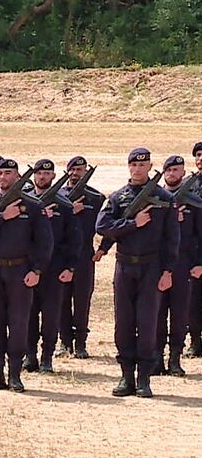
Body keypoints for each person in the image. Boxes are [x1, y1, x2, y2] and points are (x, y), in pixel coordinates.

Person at [96, 147, 179, 398]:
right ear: (128, 167)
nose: (137, 169)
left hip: (152, 266)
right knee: (123, 322)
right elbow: (103, 226)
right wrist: (132, 224)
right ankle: (126, 377)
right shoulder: (119, 197)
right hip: (125, 265)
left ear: (149, 166)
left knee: (147, 321)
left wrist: (168, 271)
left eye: (142, 165)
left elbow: (172, 238)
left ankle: (144, 378)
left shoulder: (163, 198)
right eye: (133, 165)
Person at [0, 158, 53, 393]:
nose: (4, 177)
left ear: (18, 177)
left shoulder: (33, 205)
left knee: (18, 322)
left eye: (9, 173)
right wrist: (2, 216)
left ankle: (15, 373)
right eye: (1, 173)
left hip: (20, 270)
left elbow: (45, 242)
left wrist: (37, 270)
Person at [24, 159, 81, 374]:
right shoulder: (25, 200)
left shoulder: (64, 205)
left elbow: (74, 238)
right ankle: (29, 355)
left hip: (54, 267)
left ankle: (47, 356)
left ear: (54, 177)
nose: (42, 177)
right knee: (28, 313)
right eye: (39, 174)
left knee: (51, 314)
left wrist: (71, 267)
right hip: (28, 265)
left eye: (47, 174)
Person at [154, 155, 202, 376]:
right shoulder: (155, 198)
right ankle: (156, 357)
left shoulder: (193, 201)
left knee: (180, 312)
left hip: (184, 263)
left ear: (184, 173)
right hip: (157, 262)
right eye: (169, 170)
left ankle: (175, 357)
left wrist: (200, 263)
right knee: (156, 311)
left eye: (177, 170)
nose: (173, 174)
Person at [58, 155, 109, 358]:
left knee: (82, 300)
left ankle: (80, 343)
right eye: (72, 169)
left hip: (84, 256)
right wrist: (71, 210)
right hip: (61, 256)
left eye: (80, 170)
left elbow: (107, 224)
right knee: (61, 300)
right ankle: (64, 341)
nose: (75, 173)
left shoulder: (96, 198)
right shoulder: (59, 196)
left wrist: (103, 248)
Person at [187, 141, 202, 357]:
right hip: (194, 252)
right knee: (192, 302)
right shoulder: (188, 186)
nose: (200, 159)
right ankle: (195, 341)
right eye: (198, 154)